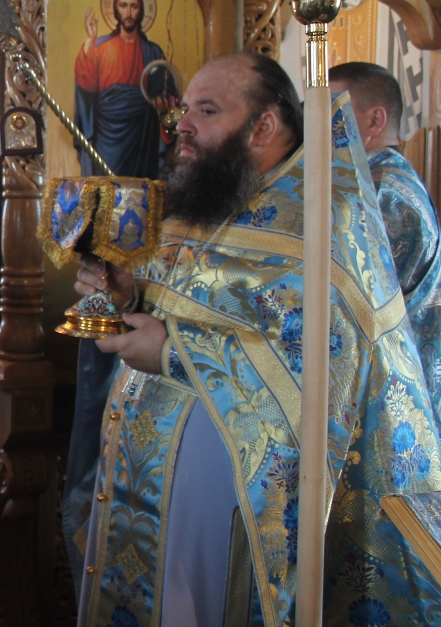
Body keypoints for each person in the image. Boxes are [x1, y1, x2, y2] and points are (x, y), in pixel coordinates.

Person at [70, 53, 441, 626]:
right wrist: (129, 296)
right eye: (184, 110)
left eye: (207, 110)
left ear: (264, 125)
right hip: (147, 490)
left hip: (243, 506)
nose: (183, 124)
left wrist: (172, 353)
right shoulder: (214, 197)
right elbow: (198, 303)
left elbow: (329, 359)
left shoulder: (330, 214)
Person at [330, 61, 441, 413]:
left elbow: (352, 305)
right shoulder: (384, 178)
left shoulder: (380, 193)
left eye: (332, 111)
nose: (316, 127)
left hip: (398, 390)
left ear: (375, 121)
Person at [74, 0, 168, 178]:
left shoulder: (153, 51)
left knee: (139, 184)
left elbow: (165, 93)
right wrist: (90, 40)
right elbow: (86, 82)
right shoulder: (101, 46)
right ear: (116, 10)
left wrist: (163, 101)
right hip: (107, 133)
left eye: (134, 6)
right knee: (106, 184)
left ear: (141, 10)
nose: (129, 12)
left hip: (142, 134)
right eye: (123, 6)